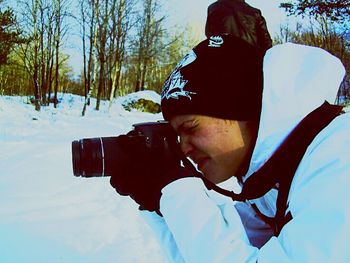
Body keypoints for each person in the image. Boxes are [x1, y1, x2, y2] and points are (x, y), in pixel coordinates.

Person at [110, 34, 350, 262]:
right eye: (177, 135)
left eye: (191, 128)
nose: (183, 149)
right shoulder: (274, 181)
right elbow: (216, 253)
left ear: (244, 112)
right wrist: (161, 206)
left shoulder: (339, 161)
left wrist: (179, 192)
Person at [205, 0, 273, 53]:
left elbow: (209, 34)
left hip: (222, 59)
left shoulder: (213, 8)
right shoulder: (254, 13)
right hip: (249, 61)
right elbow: (266, 43)